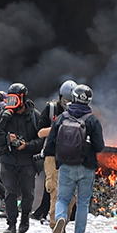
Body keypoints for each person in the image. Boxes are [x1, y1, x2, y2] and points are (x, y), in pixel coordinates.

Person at [48, 83, 104, 233]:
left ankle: (60, 218)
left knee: (63, 199)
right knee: (83, 202)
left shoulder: (62, 118)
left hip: (66, 165)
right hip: (86, 167)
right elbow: (99, 146)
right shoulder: (92, 120)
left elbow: (51, 143)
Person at [0, 82, 41, 233]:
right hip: (8, 159)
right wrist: (7, 138)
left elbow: (41, 141)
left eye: (15, 99)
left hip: (27, 160)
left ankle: (25, 218)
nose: (12, 103)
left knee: (28, 193)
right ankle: (11, 223)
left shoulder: (35, 116)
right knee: (10, 192)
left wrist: (26, 145)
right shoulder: (4, 114)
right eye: (10, 99)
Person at [33, 80, 75, 223]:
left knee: (70, 187)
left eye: (71, 101)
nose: (68, 104)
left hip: (72, 154)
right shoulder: (51, 109)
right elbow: (40, 132)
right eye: (65, 101)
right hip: (53, 153)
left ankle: (68, 216)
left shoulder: (79, 112)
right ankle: (51, 217)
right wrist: (58, 128)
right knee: (52, 186)